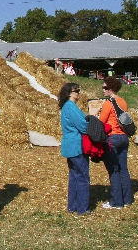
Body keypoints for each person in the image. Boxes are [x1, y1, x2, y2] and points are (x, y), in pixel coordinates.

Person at [98, 76, 132, 209]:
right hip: (124, 136)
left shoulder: (108, 103)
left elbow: (102, 121)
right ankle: (127, 198)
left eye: (105, 87)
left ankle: (116, 202)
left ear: (111, 89)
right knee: (123, 169)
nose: (103, 89)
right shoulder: (123, 101)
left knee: (114, 170)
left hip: (112, 137)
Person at [58, 82, 90, 215]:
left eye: (79, 90)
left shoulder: (67, 107)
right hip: (76, 145)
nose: (78, 93)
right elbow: (83, 126)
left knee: (74, 176)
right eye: (76, 90)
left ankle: (73, 206)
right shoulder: (70, 107)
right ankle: (83, 208)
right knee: (82, 176)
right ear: (69, 93)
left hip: (70, 145)